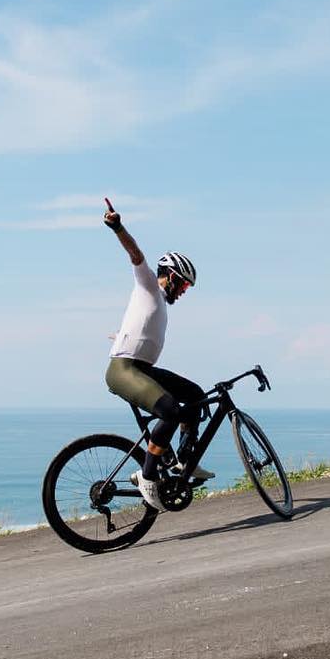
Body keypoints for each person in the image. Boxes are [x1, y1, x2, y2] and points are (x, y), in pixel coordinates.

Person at [102, 200, 212, 511]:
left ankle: (184, 462)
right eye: (184, 284)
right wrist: (117, 227)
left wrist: (121, 334)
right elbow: (136, 255)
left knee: (195, 396)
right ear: (172, 276)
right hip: (124, 369)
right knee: (171, 411)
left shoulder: (159, 304)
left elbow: (139, 328)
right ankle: (147, 474)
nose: (185, 291)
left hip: (143, 369)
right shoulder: (149, 284)